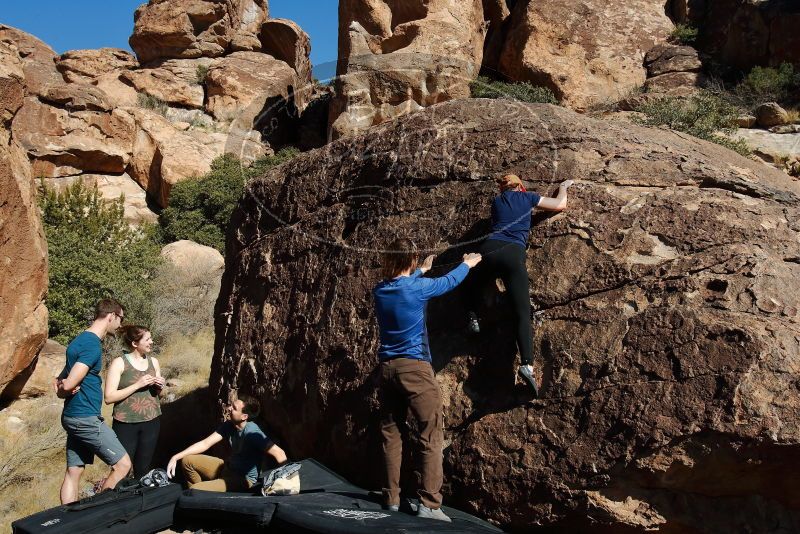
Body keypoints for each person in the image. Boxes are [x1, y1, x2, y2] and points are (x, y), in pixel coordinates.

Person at [373, 237, 482, 522]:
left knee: (391, 435)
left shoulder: (380, 291)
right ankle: (430, 505)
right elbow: (446, 283)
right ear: (409, 260)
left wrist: (421, 268)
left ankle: (391, 499)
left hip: (386, 369)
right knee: (430, 433)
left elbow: (403, 282)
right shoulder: (417, 289)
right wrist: (466, 265)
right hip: (415, 369)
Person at [464, 174, 574, 396]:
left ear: (502, 190)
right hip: (513, 253)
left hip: (490, 248)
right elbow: (560, 205)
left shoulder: (497, 202)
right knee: (522, 313)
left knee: (473, 278)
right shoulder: (528, 198)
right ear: (521, 187)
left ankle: (473, 314)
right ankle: (527, 365)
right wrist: (562, 188)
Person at [56, 298, 132, 504]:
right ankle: (98, 513)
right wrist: (68, 386)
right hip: (85, 418)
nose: (120, 324)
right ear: (111, 316)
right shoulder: (91, 345)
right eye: (120, 319)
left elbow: (60, 386)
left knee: (74, 471)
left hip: (73, 415)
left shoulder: (78, 340)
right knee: (123, 465)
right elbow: (69, 382)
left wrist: (65, 387)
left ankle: (68, 520)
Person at [166, 395, 288, 491]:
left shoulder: (252, 432)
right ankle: (203, 499)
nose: (229, 408)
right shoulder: (229, 425)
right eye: (232, 405)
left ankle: (199, 494)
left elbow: (280, 453)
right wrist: (175, 457)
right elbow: (205, 443)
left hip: (243, 480)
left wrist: (283, 482)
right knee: (187, 461)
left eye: (234, 408)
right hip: (227, 469)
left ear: (244, 416)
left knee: (194, 491)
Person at [104, 325, 165, 479]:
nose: (151, 342)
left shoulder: (154, 362)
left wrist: (159, 386)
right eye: (148, 339)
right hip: (125, 423)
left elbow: (158, 394)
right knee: (121, 469)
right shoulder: (119, 363)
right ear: (135, 344)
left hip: (152, 421)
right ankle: (116, 499)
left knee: (144, 468)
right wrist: (138, 384)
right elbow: (109, 397)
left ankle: (139, 499)